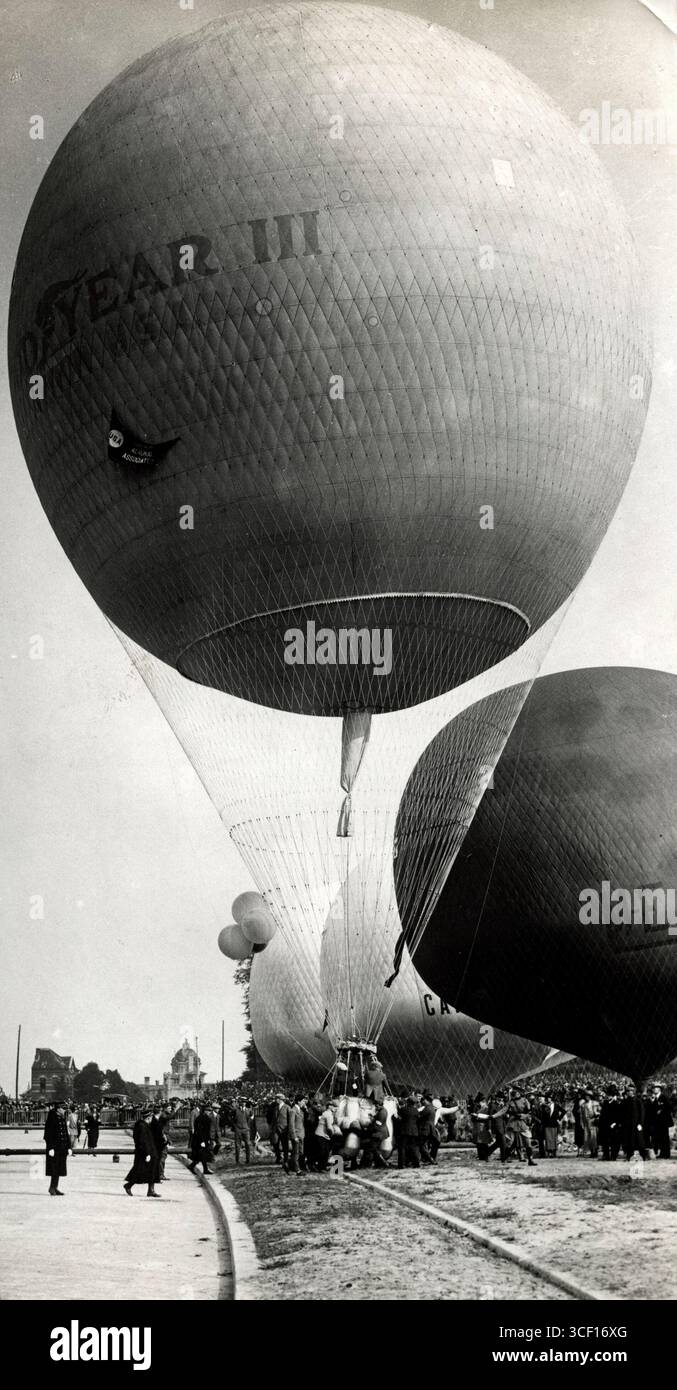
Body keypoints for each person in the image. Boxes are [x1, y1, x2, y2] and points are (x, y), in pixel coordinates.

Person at [124, 1107, 161, 1197]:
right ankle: (128, 1185)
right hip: (144, 1153)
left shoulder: (143, 1125)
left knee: (152, 1171)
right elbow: (142, 1141)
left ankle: (151, 1190)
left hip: (149, 1152)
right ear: (148, 1118)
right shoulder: (142, 1126)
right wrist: (147, 1153)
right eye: (151, 1118)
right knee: (139, 1171)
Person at [45, 1100, 71, 1196]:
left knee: (59, 1168)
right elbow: (48, 1134)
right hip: (55, 1148)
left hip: (62, 1147)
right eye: (63, 1108)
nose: (65, 1110)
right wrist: (50, 1147)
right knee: (54, 1168)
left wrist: (69, 1146)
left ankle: (55, 1187)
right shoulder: (52, 1117)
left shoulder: (62, 1117)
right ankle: (52, 1187)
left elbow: (66, 1133)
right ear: (58, 1109)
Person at [622, 1086, 648, 1160]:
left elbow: (642, 1113)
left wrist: (640, 1123)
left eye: (631, 1091)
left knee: (639, 1141)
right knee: (629, 1141)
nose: (629, 1092)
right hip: (628, 1125)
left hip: (636, 1124)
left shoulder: (638, 1101)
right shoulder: (625, 1101)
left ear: (633, 1092)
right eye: (628, 1091)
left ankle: (643, 1156)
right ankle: (629, 1156)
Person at [646, 1085, 673, 1159]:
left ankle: (666, 1154)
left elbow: (669, 1107)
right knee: (660, 1138)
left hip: (664, 1122)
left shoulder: (663, 1097)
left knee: (665, 1138)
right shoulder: (654, 1098)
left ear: (659, 1089)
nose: (654, 1090)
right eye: (654, 1088)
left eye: (656, 1088)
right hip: (657, 1122)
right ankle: (662, 1154)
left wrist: (662, 1110)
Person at [598, 1087, 623, 1161]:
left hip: (614, 1125)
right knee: (605, 1141)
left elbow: (619, 1115)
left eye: (610, 1095)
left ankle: (614, 1156)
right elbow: (602, 1115)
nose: (608, 1096)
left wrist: (615, 1123)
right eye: (608, 1094)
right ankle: (606, 1155)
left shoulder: (617, 1103)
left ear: (613, 1095)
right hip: (605, 1125)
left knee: (614, 1141)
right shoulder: (605, 1103)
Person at [189, 1102, 214, 1174]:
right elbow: (199, 1131)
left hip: (204, 1139)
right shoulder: (201, 1118)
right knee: (202, 1155)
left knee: (202, 1155)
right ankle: (202, 1169)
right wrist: (202, 1141)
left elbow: (207, 1131)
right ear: (205, 1111)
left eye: (210, 1110)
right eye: (208, 1110)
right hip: (200, 1140)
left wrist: (208, 1139)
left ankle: (194, 1166)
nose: (210, 1112)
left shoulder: (205, 1118)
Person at [397, 1095, 421, 1169]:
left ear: (408, 1102)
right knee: (413, 1147)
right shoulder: (416, 1110)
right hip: (414, 1131)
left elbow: (399, 1118)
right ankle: (416, 1163)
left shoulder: (403, 1109)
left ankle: (402, 1164)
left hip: (404, 1131)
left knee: (402, 1148)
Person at [269, 1092, 290, 1170]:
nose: (276, 1100)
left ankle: (286, 1159)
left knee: (285, 1145)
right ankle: (278, 1157)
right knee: (275, 1143)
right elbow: (273, 1119)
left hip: (284, 1129)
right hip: (275, 1129)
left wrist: (289, 1129)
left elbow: (289, 1119)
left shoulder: (287, 1107)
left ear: (281, 1099)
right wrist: (272, 1128)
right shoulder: (275, 1108)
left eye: (277, 1098)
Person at [314, 1098, 335, 1171]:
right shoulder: (328, 1114)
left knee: (325, 1151)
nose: (335, 1109)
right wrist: (333, 1134)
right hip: (321, 1134)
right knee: (323, 1151)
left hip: (322, 1134)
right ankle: (317, 1165)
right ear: (330, 1107)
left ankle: (321, 1166)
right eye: (334, 1107)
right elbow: (329, 1127)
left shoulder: (326, 1113)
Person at [418, 1092, 439, 1164]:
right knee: (434, 1143)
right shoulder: (431, 1107)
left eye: (423, 1100)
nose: (422, 1102)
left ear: (426, 1100)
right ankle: (431, 1158)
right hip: (431, 1128)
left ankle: (430, 1159)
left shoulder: (427, 1108)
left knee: (421, 1145)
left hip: (425, 1129)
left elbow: (419, 1117)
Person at [151, 1104, 170, 1182]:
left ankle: (159, 1175)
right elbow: (161, 1132)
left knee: (161, 1158)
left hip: (161, 1142)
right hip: (159, 1143)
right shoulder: (159, 1119)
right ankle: (159, 1175)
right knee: (161, 1158)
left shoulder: (157, 1119)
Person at [231, 1098, 253, 1166]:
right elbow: (229, 1117)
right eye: (242, 1102)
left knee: (248, 1145)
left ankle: (248, 1160)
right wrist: (234, 1125)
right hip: (238, 1129)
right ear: (239, 1102)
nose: (243, 1103)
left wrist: (248, 1125)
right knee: (237, 1145)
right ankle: (237, 1161)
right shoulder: (235, 1110)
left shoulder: (248, 1110)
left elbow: (251, 1118)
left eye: (244, 1102)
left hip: (246, 1130)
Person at [288, 1095, 307, 1174]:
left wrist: (306, 1109)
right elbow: (291, 1124)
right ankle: (297, 1170)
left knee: (300, 1152)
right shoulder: (293, 1111)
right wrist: (294, 1136)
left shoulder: (301, 1110)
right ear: (298, 1101)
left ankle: (288, 1165)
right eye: (302, 1101)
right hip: (296, 1135)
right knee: (296, 1153)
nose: (304, 1102)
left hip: (301, 1134)